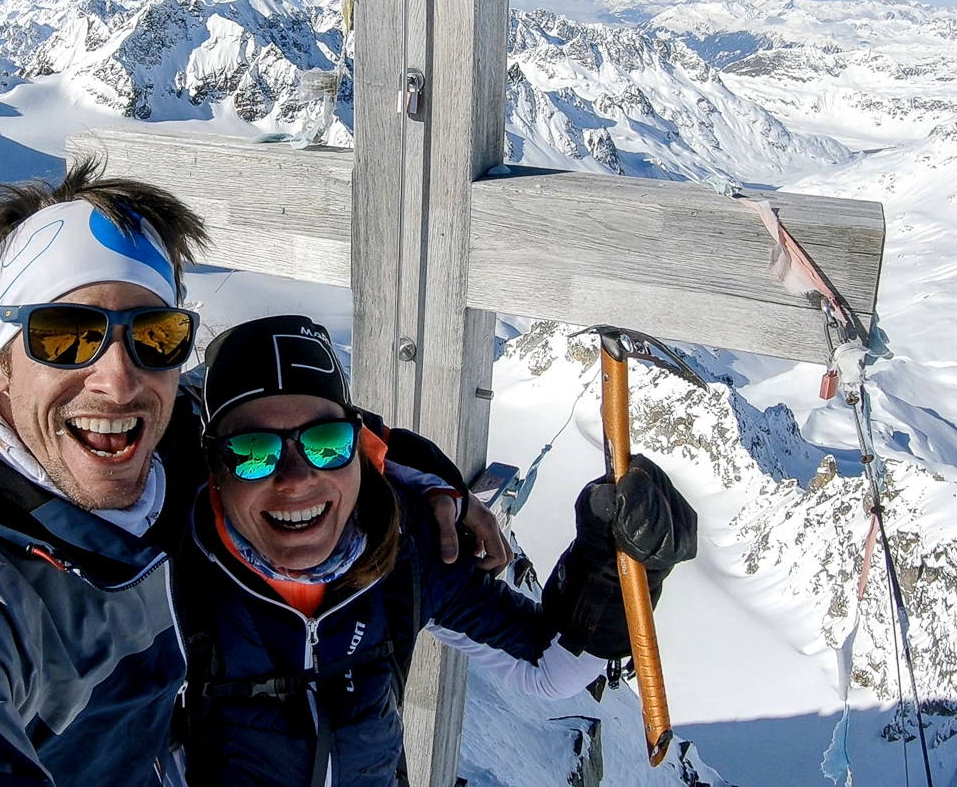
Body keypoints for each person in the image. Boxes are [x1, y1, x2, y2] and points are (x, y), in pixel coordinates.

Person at [0, 161, 507, 787]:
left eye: (153, 335)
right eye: (66, 336)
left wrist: (414, 467)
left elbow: (293, 427)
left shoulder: (165, 443)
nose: (120, 380)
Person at [176, 314, 698, 787]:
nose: (296, 478)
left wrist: (612, 567)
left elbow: (548, 667)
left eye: (325, 442)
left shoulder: (408, 549)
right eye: (251, 452)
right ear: (212, 469)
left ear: (358, 449)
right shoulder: (170, 570)